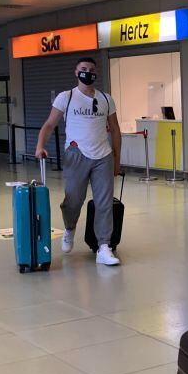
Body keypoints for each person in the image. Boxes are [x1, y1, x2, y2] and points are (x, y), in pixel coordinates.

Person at [35, 56, 122, 266]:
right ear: (76, 72)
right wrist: (40, 145)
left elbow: (116, 130)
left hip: (103, 156)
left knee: (104, 203)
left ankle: (104, 246)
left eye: (91, 69)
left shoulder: (105, 98)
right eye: (83, 68)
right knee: (73, 200)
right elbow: (49, 124)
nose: (88, 72)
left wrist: (117, 159)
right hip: (76, 154)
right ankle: (69, 229)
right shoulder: (67, 97)